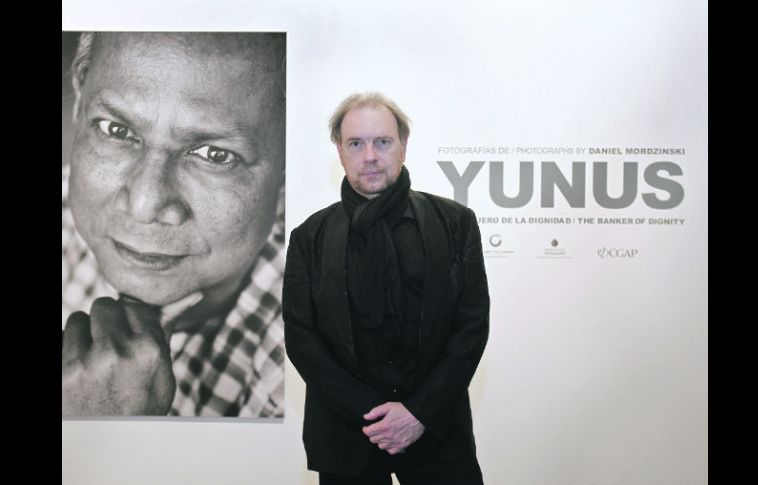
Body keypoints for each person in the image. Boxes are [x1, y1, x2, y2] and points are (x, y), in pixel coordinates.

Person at [61, 32, 286, 417]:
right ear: (79, 105)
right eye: (117, 130)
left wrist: (100, 437)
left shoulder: (301, 365)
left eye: (215, 155)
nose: (145, 204)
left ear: (288, 163)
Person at [284, 92, 490, 484]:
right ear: (340, 153)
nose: (370, 156)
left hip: (438, 434)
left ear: (403, 146)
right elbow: (302, 340)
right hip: (348, 437)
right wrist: (377, 415)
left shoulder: (456, 223)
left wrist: (418, 414)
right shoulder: (309, 237)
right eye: (356, 144)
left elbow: (471, 325)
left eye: (383, 142)